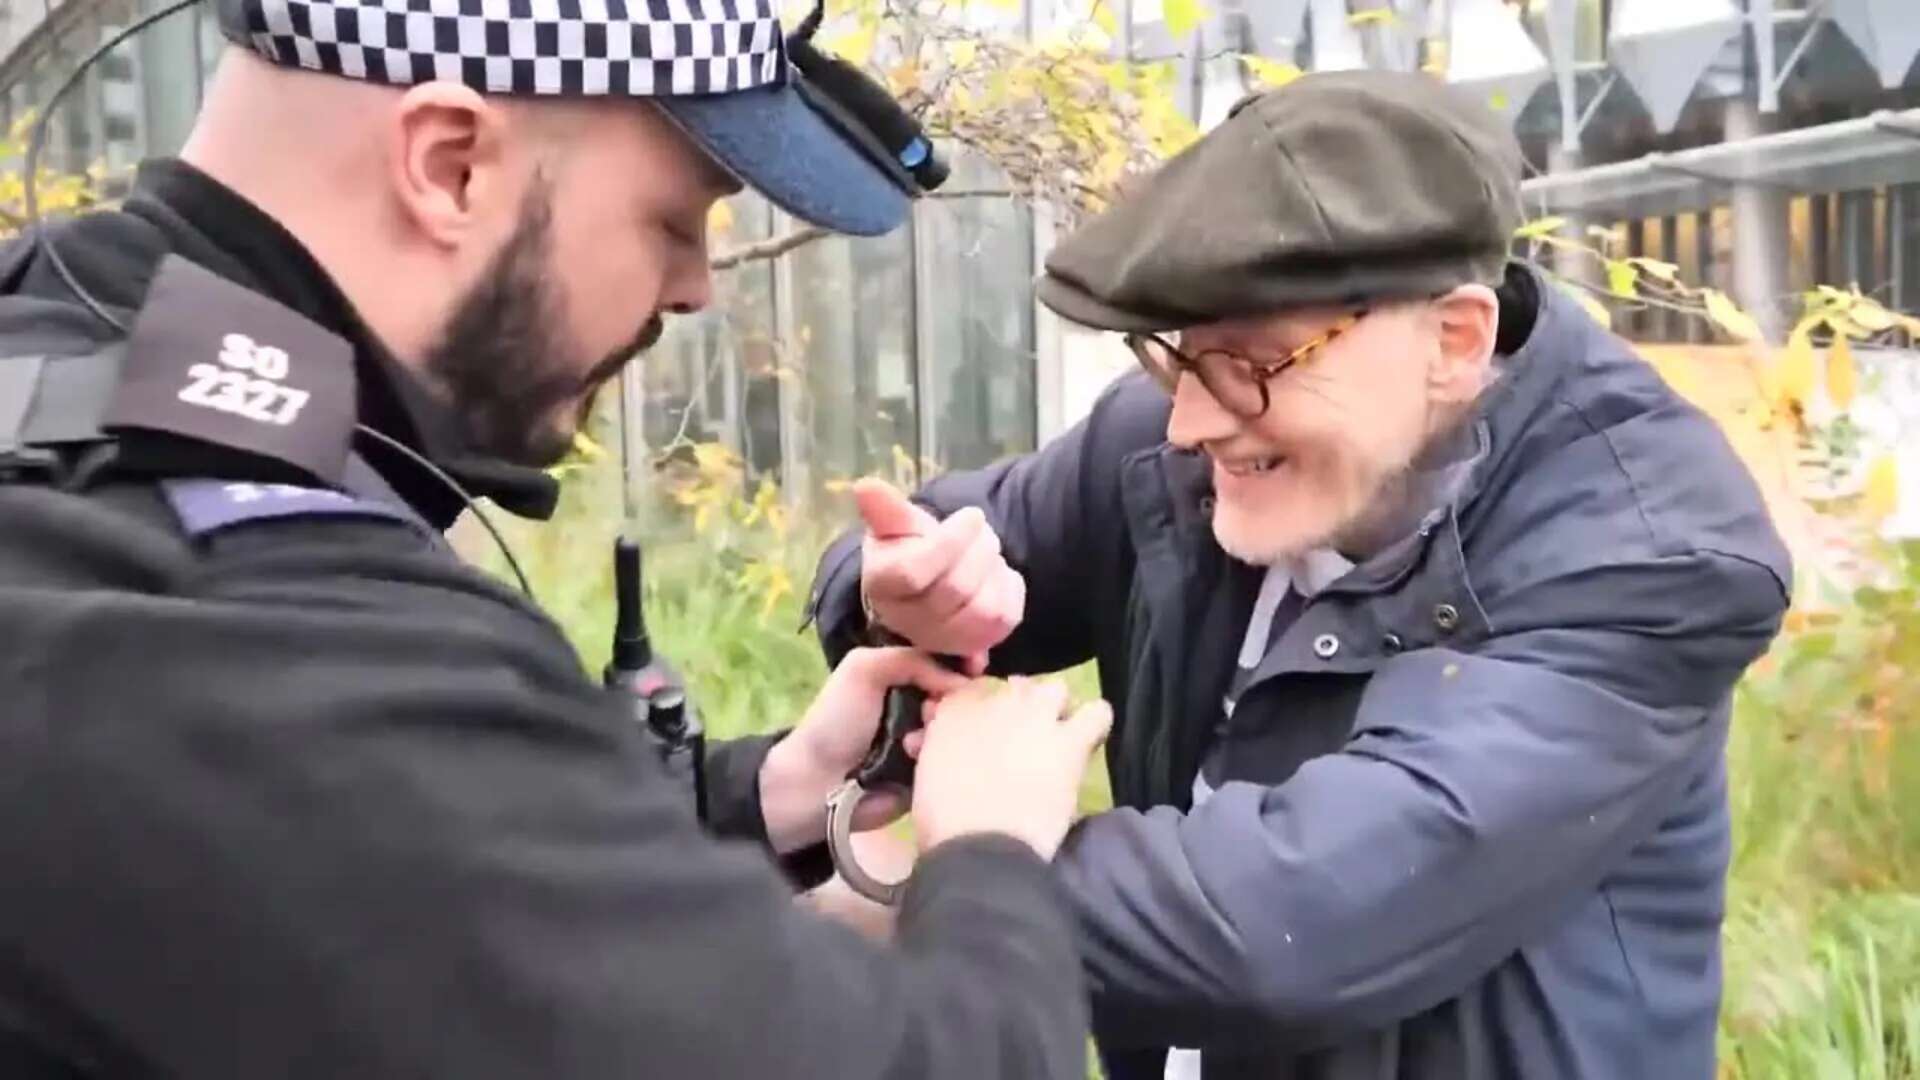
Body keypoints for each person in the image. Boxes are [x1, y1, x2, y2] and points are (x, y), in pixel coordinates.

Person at [0, 1, 1113, 1076]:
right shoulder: (252, 635)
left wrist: (774, 787)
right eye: (674, 221)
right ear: (449, 165)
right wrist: (992, 852)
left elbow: (400, 863)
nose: (693, 292)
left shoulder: (74, 382)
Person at [808, 71, 1794, 1079]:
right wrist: (897, 589)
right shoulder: (1175, 443)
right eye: (1176, 354)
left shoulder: (1647, 550)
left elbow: (1293, 924)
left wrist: (966, 858)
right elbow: (937, 535)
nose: (1192, 418)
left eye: (1256, 364)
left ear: (1454, 340)